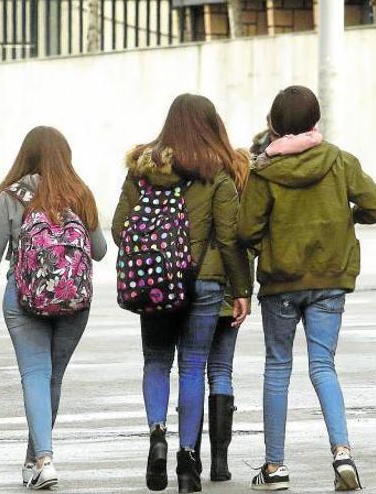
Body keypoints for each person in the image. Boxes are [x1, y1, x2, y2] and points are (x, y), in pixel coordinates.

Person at [238, 85, 376, 491]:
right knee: (323, 366)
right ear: (314, 122)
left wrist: (271, 240)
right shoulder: (340, 161)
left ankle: (275, 468)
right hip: (329, 280)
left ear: (272, 125)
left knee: (278, 368)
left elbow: (245, 229)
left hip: (281, 285)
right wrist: (348, 217)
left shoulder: (264, 171)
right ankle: (342, 454)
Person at [112, 93, 252, 493]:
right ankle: (188, 462)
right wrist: (241, 290)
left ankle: (158, 434)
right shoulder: (217, 172)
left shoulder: (141, 170)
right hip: (205, 282)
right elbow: (229, 239)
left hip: (154, 283)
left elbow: (121, 229)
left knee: (156, 360)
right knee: (193, 366)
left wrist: (156, 253)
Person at [0, 126, 107, 490]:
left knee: (35, 375)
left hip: (23, 298)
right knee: (52, 378)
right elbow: (100, 251)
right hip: (74, 300)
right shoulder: (80, 193)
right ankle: (36, 461)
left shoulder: (12, 196)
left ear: (25, 156)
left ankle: (42, 459)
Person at [197, 147, 251, 482]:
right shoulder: (245, 200)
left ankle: (193, 454)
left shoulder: (204, 188)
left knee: (192, 368)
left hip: (202, 289)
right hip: (233, 294)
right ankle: (221, 460)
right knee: (221, 371)